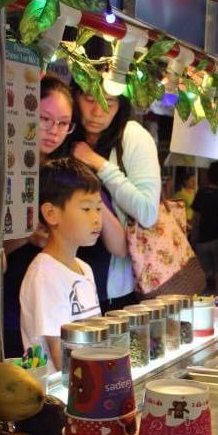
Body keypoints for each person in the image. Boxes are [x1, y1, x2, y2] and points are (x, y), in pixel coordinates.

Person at [3, 75, 125, 356]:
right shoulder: (6, 169)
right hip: (15, 301)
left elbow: (118, 243)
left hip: (66, 301)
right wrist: (26, 235)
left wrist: (92, 196)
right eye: (45, 119)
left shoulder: (67, 174)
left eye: (63, 123)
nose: (53, 130)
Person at [70, 84, 161, 313]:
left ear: (120, 105)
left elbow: (147, 212)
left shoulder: (132, 136)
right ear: (75, 97)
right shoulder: (66, 133)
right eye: (90, 99)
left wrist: (99, 164)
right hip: (69, 282)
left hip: (116, 291)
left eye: (108, 103)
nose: (98, 111)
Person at [20, 159, 102, 373]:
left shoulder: (84, 268)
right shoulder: (44, 274)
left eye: (98, 208)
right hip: (61, 395)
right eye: (86, 208)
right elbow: (63, 359)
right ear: (50, 213)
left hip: (90, 383)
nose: (96, 219)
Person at [191, 160, 218, 296]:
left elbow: (195, 218)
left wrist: (193, 238)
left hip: (201, 242)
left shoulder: (201, 193)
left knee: (202, 277)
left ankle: (203, 308)